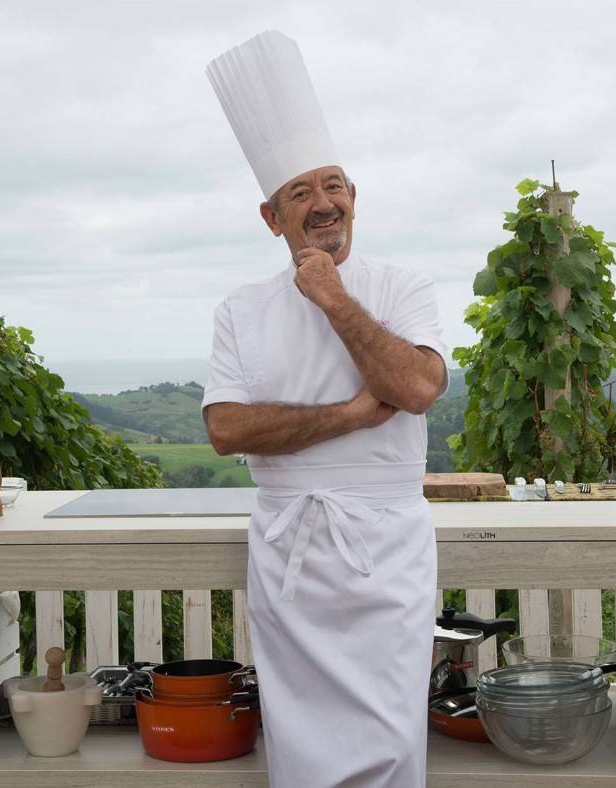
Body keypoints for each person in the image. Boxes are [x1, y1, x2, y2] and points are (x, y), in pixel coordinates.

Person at [203, 30, 448, 787]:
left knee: (391, 738)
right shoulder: (240, 309)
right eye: (300, 193)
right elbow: (226, 429)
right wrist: (345, 416)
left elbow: (414, 388)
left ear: (353, 195)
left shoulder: (402, 288)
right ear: (271, 217)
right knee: (302, 749)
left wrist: (334, 298)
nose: (323, 204)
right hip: (289, 549)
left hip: (387, 554)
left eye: (333, 184)